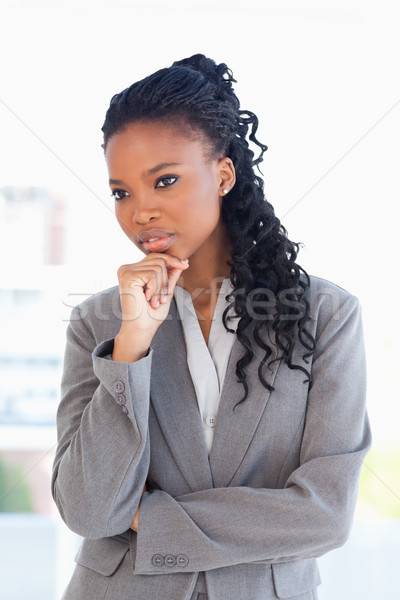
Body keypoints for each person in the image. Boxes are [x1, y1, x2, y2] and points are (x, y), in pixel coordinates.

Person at [52, 54, 371, 600]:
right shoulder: (98, 322)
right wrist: (131, 348)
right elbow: (89, 508)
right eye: (122, 192)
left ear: (223, 174)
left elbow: (326, 515)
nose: (140, 212)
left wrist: (148, 521)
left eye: (165, 180)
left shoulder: (327, 315)